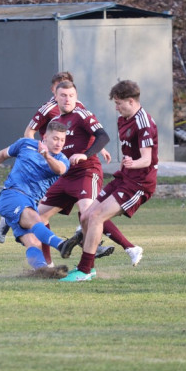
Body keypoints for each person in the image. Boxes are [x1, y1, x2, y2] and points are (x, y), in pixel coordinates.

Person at [58, 80, 156, 282]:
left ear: (131, 101)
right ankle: (90, 268)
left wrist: (132, 163)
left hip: (139, 184)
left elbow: (147, 159)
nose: (116, 107)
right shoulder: (123, 119)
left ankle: (84, 270)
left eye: (119, 103)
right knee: (85, 216)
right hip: (124, 178)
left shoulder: (144, 124)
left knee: (96, 218)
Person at [0, 121, 73, 276]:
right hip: (12, 195)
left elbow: (60, 170)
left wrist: (46, 156)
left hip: (30, 202)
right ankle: (61, 244)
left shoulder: (62, 159)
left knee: (33, 242)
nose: (59, 143)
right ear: (45, 137)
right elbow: (2, 155)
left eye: (62, 140)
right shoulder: (26, 144)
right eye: (56, 139)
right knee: (34, 219)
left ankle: (43, 270)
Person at [35, 80, 111, 249]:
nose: (67, 99)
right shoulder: (54, 121)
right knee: (37, 218)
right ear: (55, 97)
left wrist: (85, 155)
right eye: (63, 95)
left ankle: (89, 259)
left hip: (87, 172)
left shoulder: (82, 114)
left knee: (88, 214)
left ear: (76, 97)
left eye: (71, 96)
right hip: (65, 176)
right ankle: (47, 264)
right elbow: (48, 147)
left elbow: (103, 137)